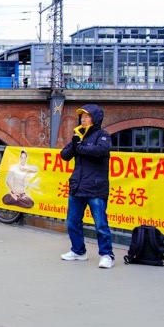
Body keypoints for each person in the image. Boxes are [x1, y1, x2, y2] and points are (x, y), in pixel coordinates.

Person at [59, 104, 115, 268]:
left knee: (100, 224)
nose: (83, 119)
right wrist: (75, 143)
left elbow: (100, 151)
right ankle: (78, 251)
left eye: (87, 116)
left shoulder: (102, 135)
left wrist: (80, 147)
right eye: (81, 117)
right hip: (78, 186)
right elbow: (64, 155)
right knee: (72, 221)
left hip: (96, 188)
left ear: (95, 118)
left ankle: (107, 255)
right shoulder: (78, 135)